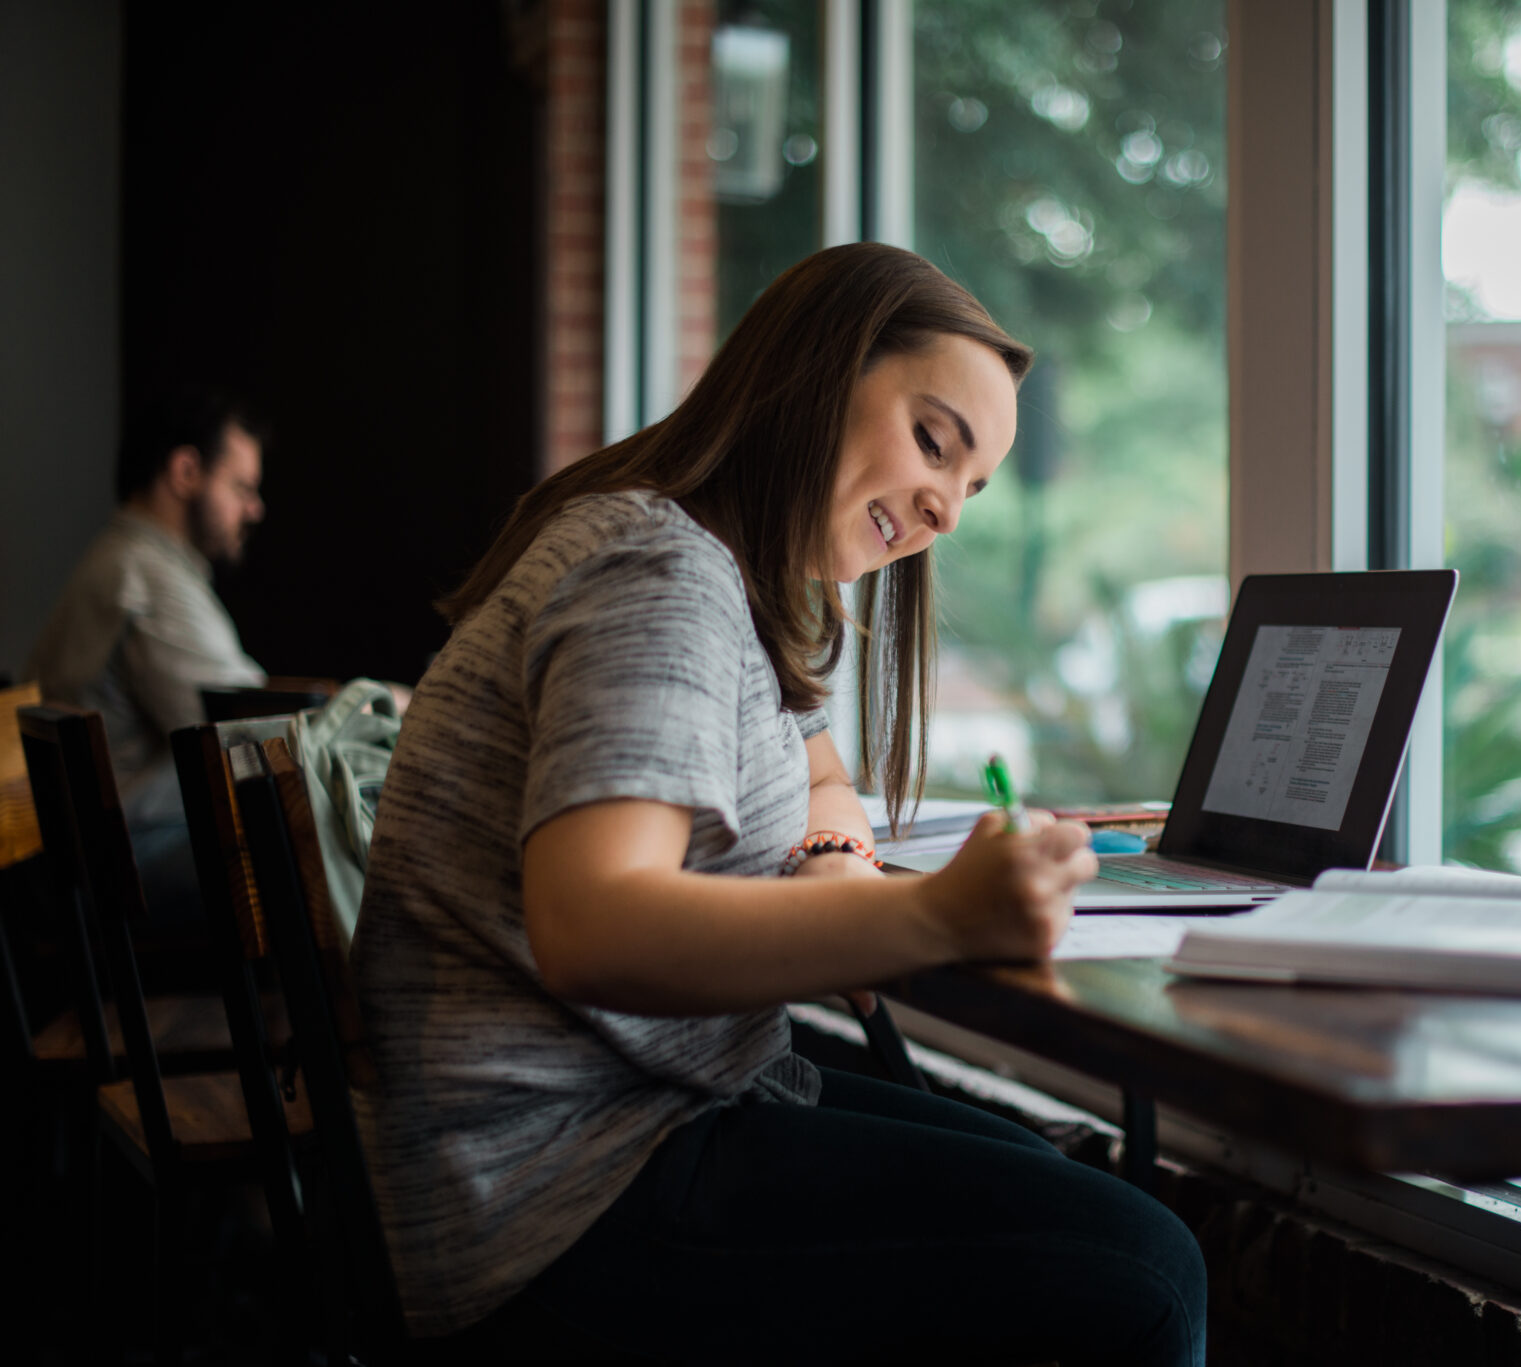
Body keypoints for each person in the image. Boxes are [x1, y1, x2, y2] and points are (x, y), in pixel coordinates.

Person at [352, 243, 1207, 1363]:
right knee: (1143, 1271)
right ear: (817, 371)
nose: (944, 507)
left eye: (971, 486)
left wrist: (832, 862)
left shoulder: (725, 574)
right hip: (550, 1191)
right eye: (934, 443)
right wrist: (935, 916)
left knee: (1058, 1188)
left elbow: (820, 772)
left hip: (622, 1118)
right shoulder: (656, 577)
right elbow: (591, 922)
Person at [24, 389, 268, 929]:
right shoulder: (144, 575)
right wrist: (372, 706)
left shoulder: (119, 560)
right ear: (186, 471)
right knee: (316, 844)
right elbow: (247, 731)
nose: (255, 509)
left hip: (79, 864)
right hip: (117, 868)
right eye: (242, 488)